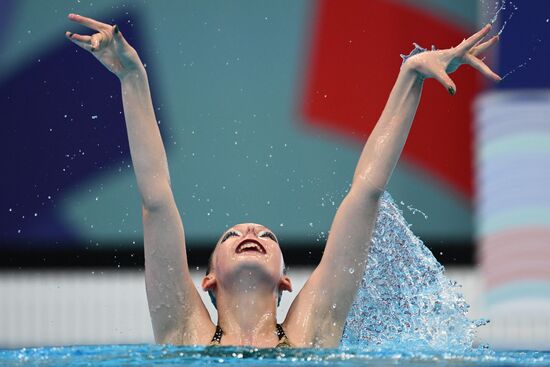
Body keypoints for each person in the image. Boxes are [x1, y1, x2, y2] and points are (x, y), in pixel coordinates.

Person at [65, 13, 500, 348]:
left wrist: (411, 75)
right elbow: (156, 200)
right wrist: (132, 77)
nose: (251, 232)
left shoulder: (314, 331)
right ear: (209, 278)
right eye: (233, 234)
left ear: (286, 281)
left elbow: (365, 193)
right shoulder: (183, 330)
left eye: (265, 234)